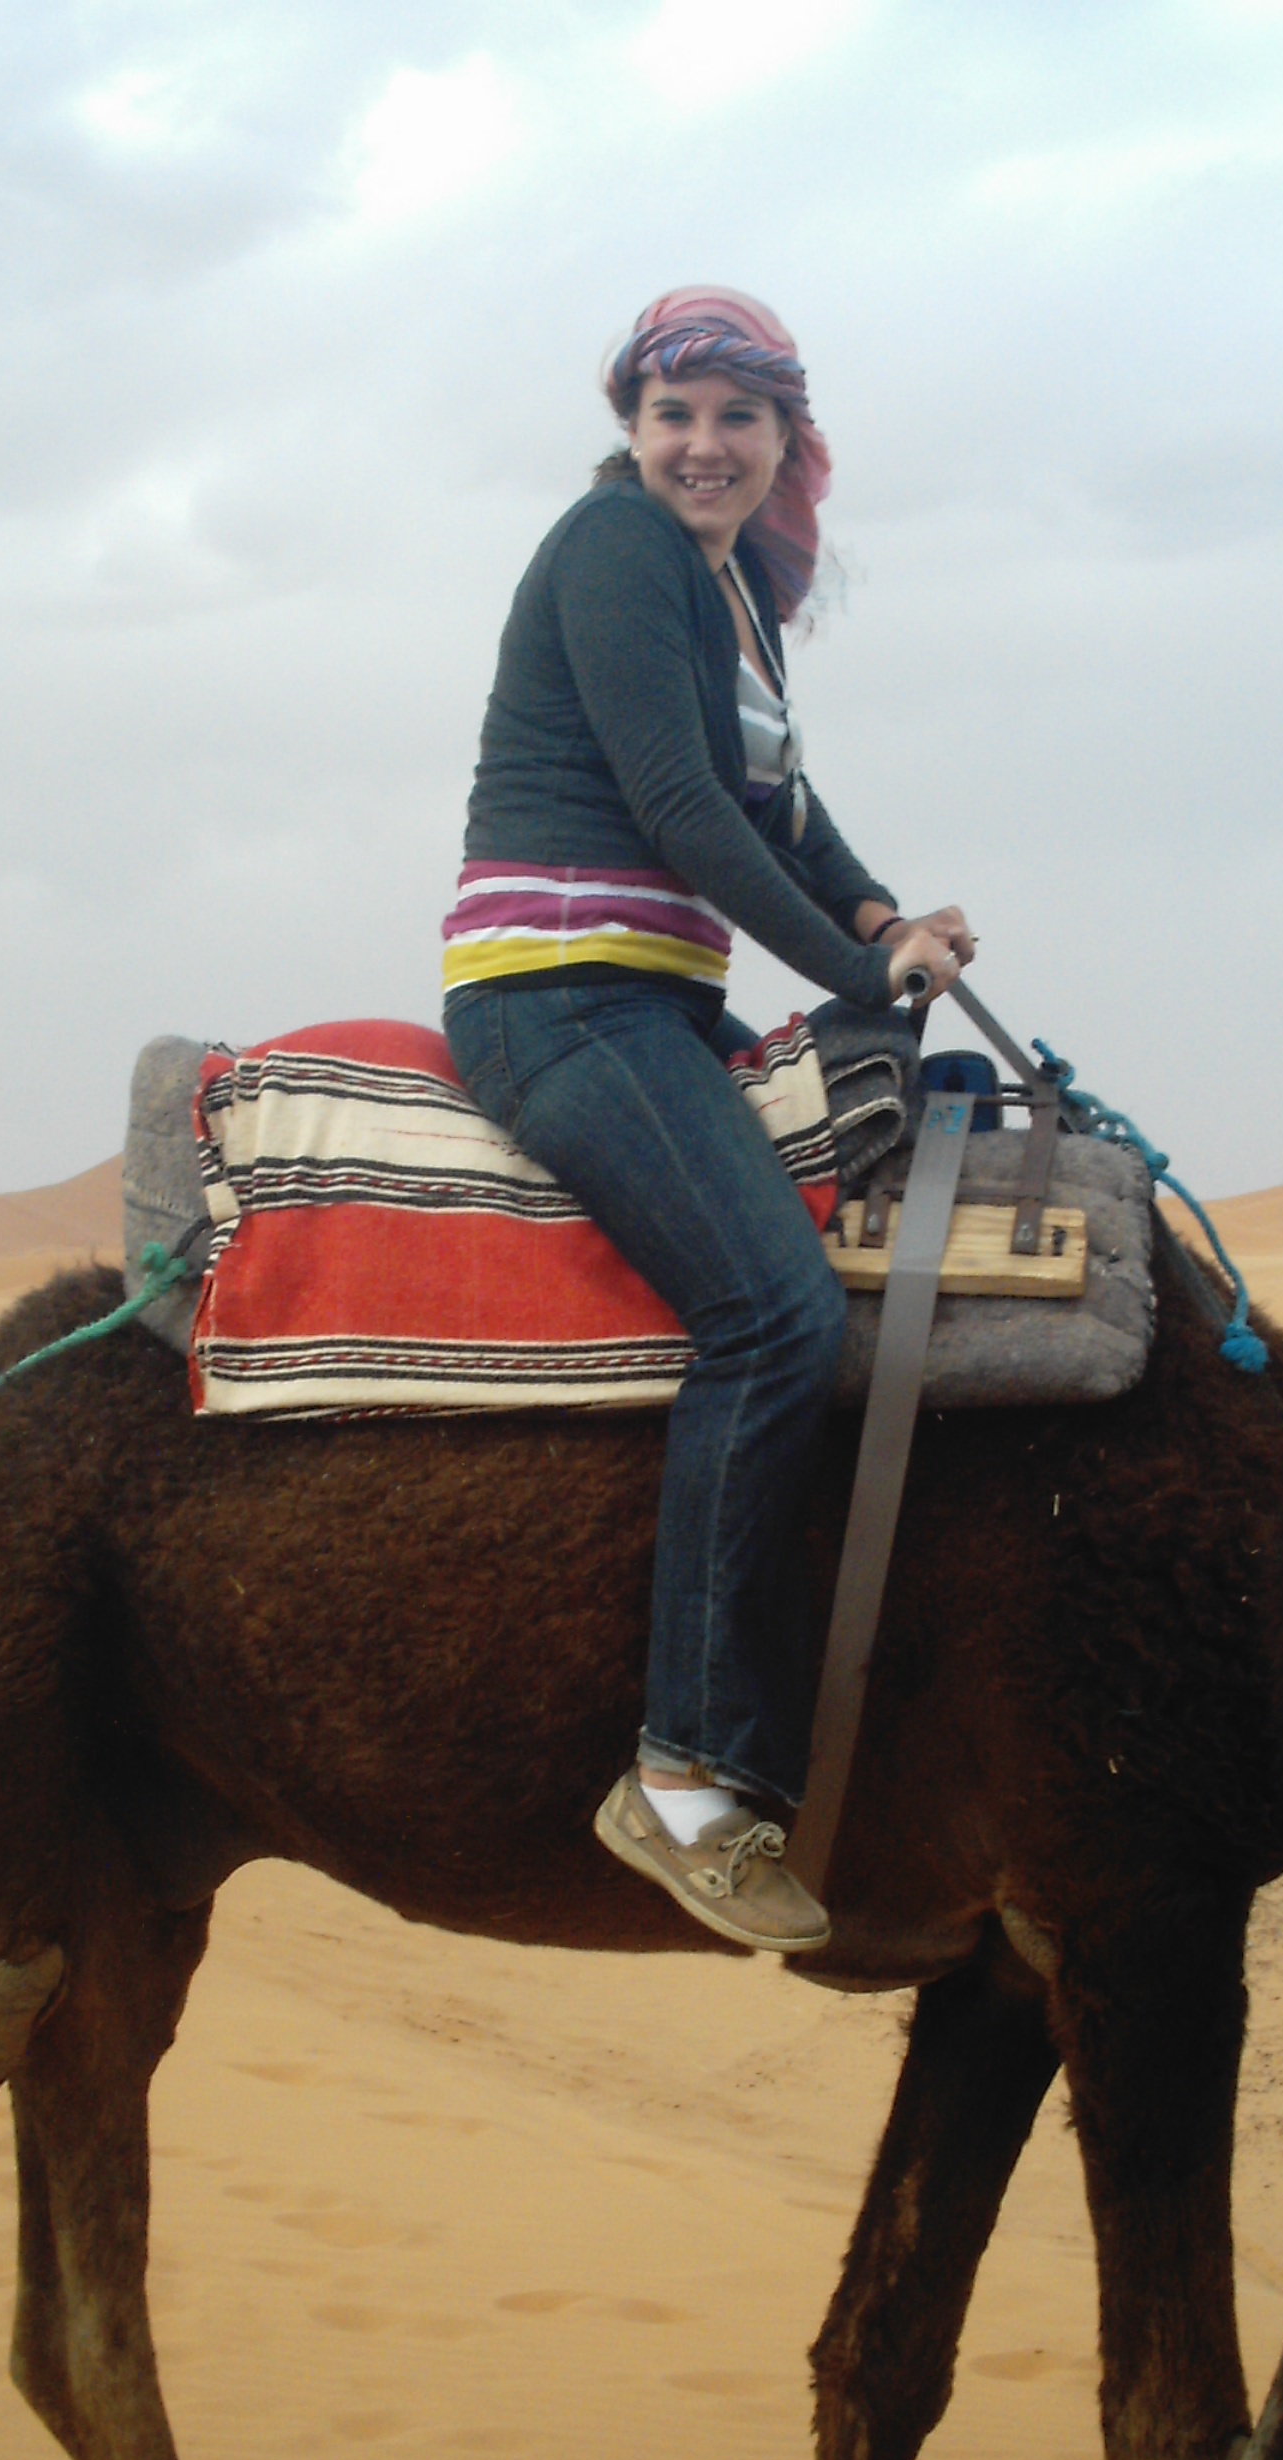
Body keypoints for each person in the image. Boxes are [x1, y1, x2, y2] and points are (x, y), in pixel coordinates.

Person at [442, 287, 973, 1952]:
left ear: (785, 439)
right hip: (558, 1000)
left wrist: (884, 916)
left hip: (652, 1003)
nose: (703, 446)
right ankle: (680, 1778)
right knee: (773, 1314)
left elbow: (784, 810)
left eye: (737, 418)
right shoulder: (617, 551)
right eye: (674, 414)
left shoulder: (731, 591)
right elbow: (682, 808)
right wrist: (861, 975)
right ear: (633, 426)